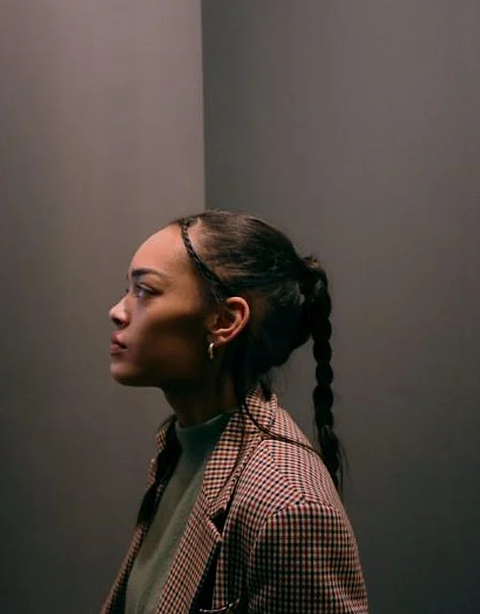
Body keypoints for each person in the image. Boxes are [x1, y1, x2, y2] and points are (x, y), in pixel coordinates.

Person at [101, 210, 367, 614]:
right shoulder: (181, 451)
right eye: (128, 289)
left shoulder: (289, 505)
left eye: (145, 291)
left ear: (225, 321)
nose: (117, 311)